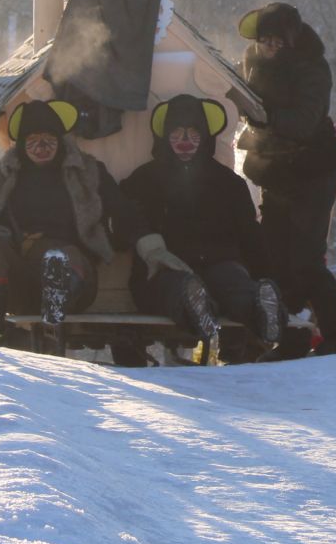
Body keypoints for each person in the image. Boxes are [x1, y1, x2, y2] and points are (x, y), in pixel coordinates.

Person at [120, 94, 284, 363]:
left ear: (205, 135)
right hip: (165, 268)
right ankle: (197, 308)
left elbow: (250, 236)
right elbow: (124, 224)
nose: (185, 141)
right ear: (165, 136)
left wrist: (266, 274)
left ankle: (263, 311)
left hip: (221, 264)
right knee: (180, 287)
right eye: (177, 132)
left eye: (193, 133)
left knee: (236, 285)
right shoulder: (144, 180)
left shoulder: (228, 183)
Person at [0, 99, 144, 345]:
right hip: (22, 276)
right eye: (32, 140)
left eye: (48, 139)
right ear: (21, 143)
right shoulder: (4, 175)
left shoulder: (88, 171)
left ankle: (53, 328)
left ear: (61, 140)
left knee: (58, 259)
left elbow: (123, 211)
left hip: (76, 275)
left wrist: (140, 242)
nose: (41, 147)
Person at [235, 1, 336, 355]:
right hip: (276, 170)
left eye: (277, 42)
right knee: (274, 259)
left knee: (305, 258)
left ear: (291, 40)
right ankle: (290, 338)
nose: (270, 48)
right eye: (265, 41)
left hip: (312, 171)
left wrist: (261, 115)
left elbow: (304, 122)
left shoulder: (312, 67)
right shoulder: (250, 58)